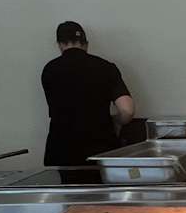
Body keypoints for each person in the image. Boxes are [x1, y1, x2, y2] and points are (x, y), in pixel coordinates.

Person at [40, 21, 135, 167]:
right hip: (101, 149)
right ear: (86, 44)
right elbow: (127, 110)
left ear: (60, 44)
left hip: (61, 150)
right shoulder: (106, 67)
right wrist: (116, 121)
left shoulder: (49, 70)